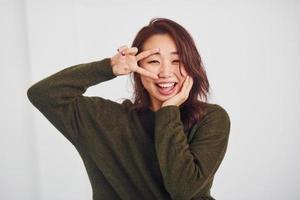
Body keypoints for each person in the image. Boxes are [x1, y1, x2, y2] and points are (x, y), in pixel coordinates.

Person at [27, 17, 231, 200]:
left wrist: (168, 112)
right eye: (153, 61)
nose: (166, 72)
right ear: (137, 70)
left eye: (177, 60)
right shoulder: (105, 120)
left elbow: (183, 190)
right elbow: (43, 94)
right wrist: (109, 67)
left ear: (191, 66)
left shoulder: (210, 118)